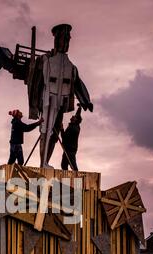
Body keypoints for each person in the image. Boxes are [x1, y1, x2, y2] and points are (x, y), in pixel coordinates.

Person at [27, 24, 93, 168]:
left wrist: (86, 101)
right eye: (64, 39)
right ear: (57, 40)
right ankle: (43, 162)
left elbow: (77, 84)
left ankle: (45, 162)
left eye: (68, 39)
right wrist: (34, 106)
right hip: (47, 101)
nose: (66, 42)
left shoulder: (71, 66)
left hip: (61, 103)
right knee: (45, 130)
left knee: (54, 135)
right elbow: (35, 82)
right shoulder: (45, 60)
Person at [60, 107, 82, 171]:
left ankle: (76, 178)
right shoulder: (74, 125)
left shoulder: (73, 128)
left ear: (75, 120)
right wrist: (79, 108)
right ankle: (66, 178)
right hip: (69, 149)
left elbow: (64, 137)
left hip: (70, 150)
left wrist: (61, 129)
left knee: (72, 165)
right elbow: (77, 115)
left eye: (74, 117)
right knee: (64, 165)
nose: (73, 116)